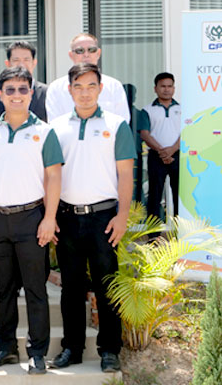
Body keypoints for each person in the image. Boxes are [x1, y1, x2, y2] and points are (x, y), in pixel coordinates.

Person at [48, 63, 136, 373]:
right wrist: (50, 216)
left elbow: (126, 174)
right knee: (71, 288)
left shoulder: (117, 125)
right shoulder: (56, 127)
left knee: (106, 286)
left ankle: (109, 350)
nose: (84, 93)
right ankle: (71, 348)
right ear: (69, 90)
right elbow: (50, 175)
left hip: (104, 219)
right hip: (67, 217)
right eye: (78, 86)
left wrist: (122, 216)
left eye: (90, 86)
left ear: (100, 89)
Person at [0, 67, 63, 375]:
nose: (16, 95)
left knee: (35, 290)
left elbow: (54, 176)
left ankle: (37, 352)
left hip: (32, 219)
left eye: (22, 89)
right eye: (10, 90)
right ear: (0, 95)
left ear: (31, 93)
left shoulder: (45, 131)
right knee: (4, 290)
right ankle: (6, 349)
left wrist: (49, 218)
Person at [45, 33, 130, 123]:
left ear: (98, 53)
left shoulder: (114, 86)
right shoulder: (56, 88)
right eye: (80, 51)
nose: (86, 54)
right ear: (71, 55)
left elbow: (122, 122)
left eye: (91, 50)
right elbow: (55, 124)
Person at [139, 72, 180, 219]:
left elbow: (187, 132)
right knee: (155, 195)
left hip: (178, 155)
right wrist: (162, 152)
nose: (166, 89)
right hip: (156, 157)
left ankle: (180, 228)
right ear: (155, 88)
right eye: (163, 86)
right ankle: (154, 230)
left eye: (170, 86)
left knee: (179, 195)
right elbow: (144, 134)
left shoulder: (183, 108)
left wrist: (173, 149)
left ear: (174, 88)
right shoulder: (147, 110)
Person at [0, 40, 49, 122]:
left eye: (26, 60)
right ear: (7, 63)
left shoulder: (48, 93)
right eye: (16, 60)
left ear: (34, 63)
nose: (21, 65)